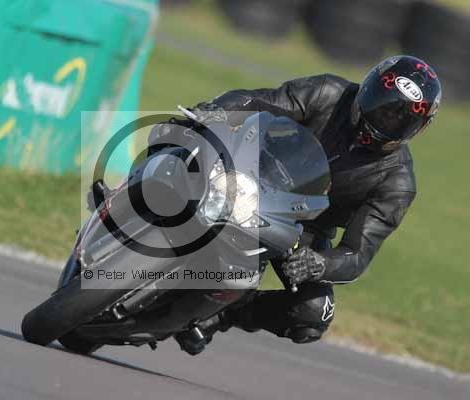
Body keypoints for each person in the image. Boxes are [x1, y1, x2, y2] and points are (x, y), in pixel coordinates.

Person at [148, 55, 442, 345]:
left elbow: (357, 254)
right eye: (382, 104)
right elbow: (261, 100)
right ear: (367, 88)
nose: (384, 118)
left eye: (400, 118)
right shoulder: (329, 93)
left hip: (302, 229)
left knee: (315, 312)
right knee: (179, 138)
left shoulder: (397, 183)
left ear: (418, 129)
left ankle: (222, 315)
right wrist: (218, 110)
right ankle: (134, 197)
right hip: (250, 172)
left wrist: (319, 263)